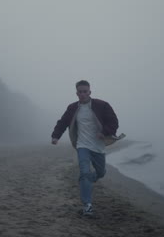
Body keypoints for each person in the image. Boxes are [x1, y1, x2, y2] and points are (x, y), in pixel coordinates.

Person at [51, 80, 121, 216]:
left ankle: (88, 180)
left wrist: (105, 132)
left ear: (90, 92)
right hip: (82, 145)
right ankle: (87, 206)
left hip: (98, 146)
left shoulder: (102, 105)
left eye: (85, 91)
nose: (82, 94)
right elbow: (63, 122)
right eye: (80, 92)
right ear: (76, 93)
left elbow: (114, 121)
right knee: (84, 172)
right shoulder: (72, 108)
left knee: (101, 173)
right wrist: (56, 136)